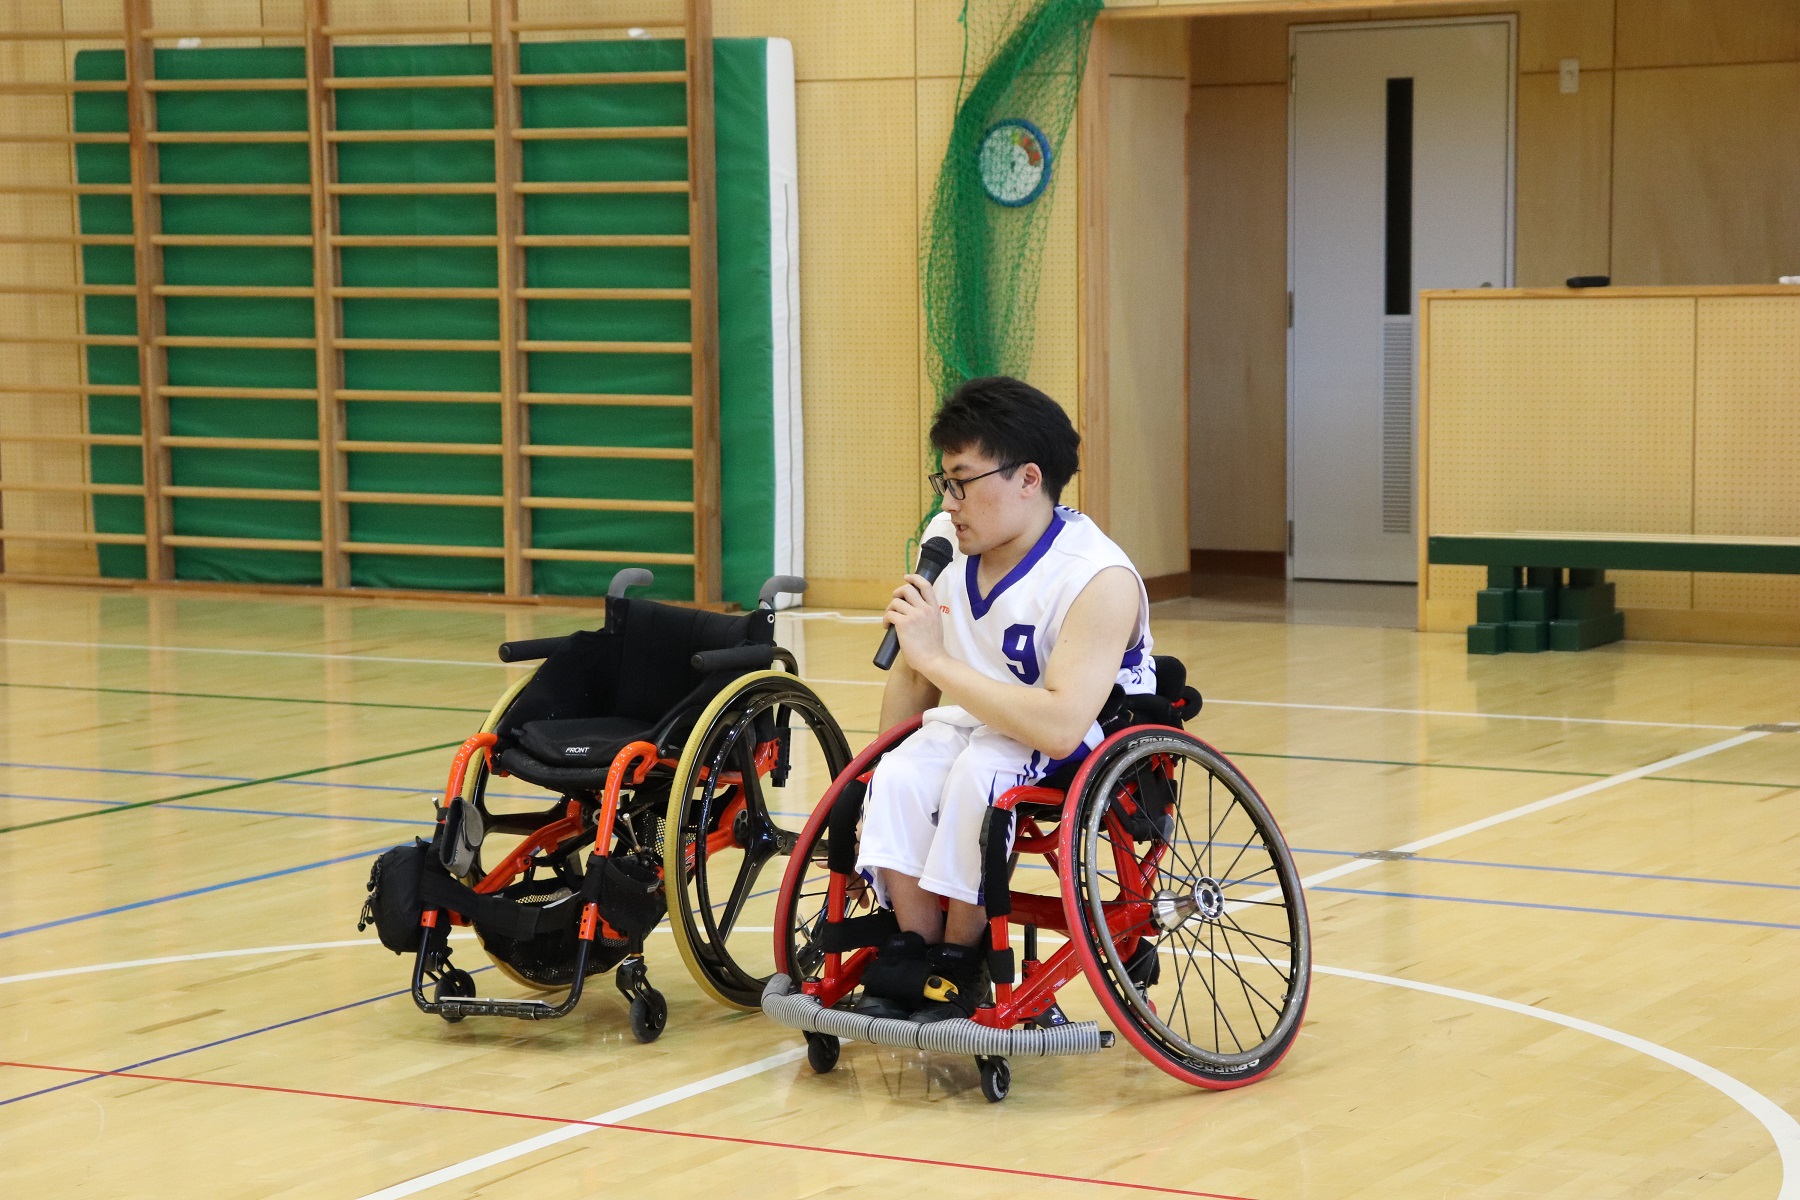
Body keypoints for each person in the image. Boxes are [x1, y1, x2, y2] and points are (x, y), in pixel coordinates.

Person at [854, 374, 1155, 1023]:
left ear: (1027, 478)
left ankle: (962, 960)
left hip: (1077, 734)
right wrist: (872, 775)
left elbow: (1059, 724)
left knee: (980, 773)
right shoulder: (947, 541)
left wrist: (933, 656)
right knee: (903, 770)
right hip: (976, 717)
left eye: (963, 481)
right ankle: (913, 945)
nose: (950, 501)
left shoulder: (1096, 578)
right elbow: (913, 676)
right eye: (944, 482)